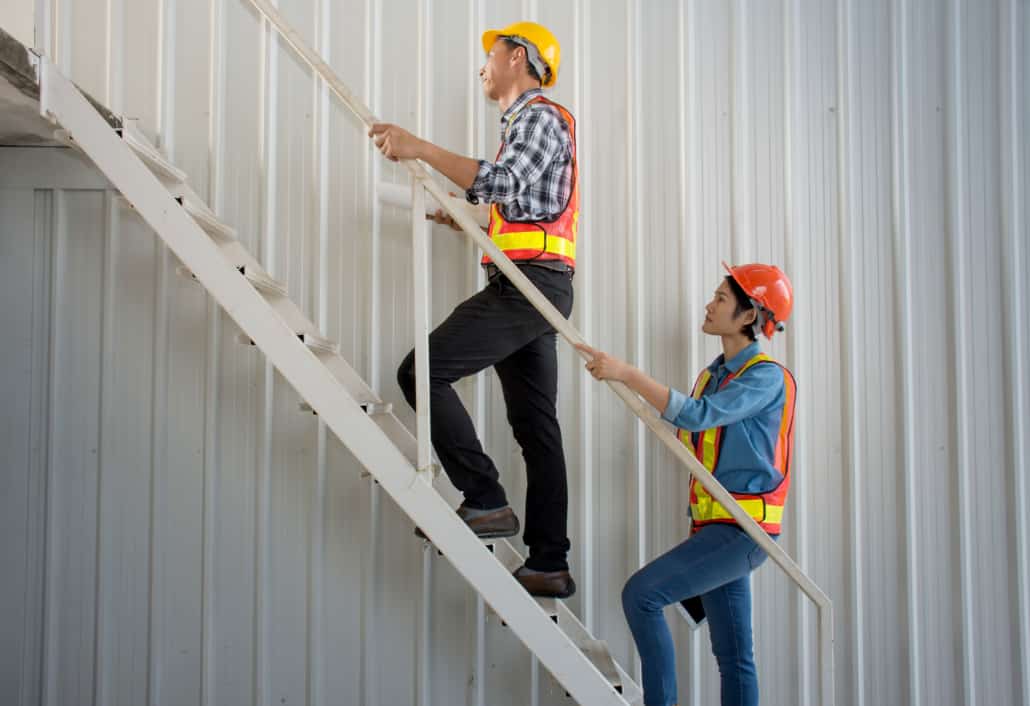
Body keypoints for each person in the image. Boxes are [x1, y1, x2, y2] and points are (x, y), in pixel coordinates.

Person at [368, 22, 579, 599]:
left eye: (490, 55)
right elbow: (525, 204)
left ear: (517, 57)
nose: (482, 66)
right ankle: (548, 562)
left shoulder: (539, 116)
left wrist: (421, 149)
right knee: (537, 429)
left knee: (422, 370)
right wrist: (469, 218)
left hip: (527, 285)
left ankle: (485, 501)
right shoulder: (523, 125)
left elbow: (506, 182)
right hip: (535, 282)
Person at [577, 263, 796, 706]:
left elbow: (695, 417)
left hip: (743, 529)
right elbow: (691, 432)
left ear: (749, 315)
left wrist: (627, 374)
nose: (709, 305)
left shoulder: (765, 376)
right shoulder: (714, 376)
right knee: (734, 655)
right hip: (715, 526)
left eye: (720, 299)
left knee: (642, 595)